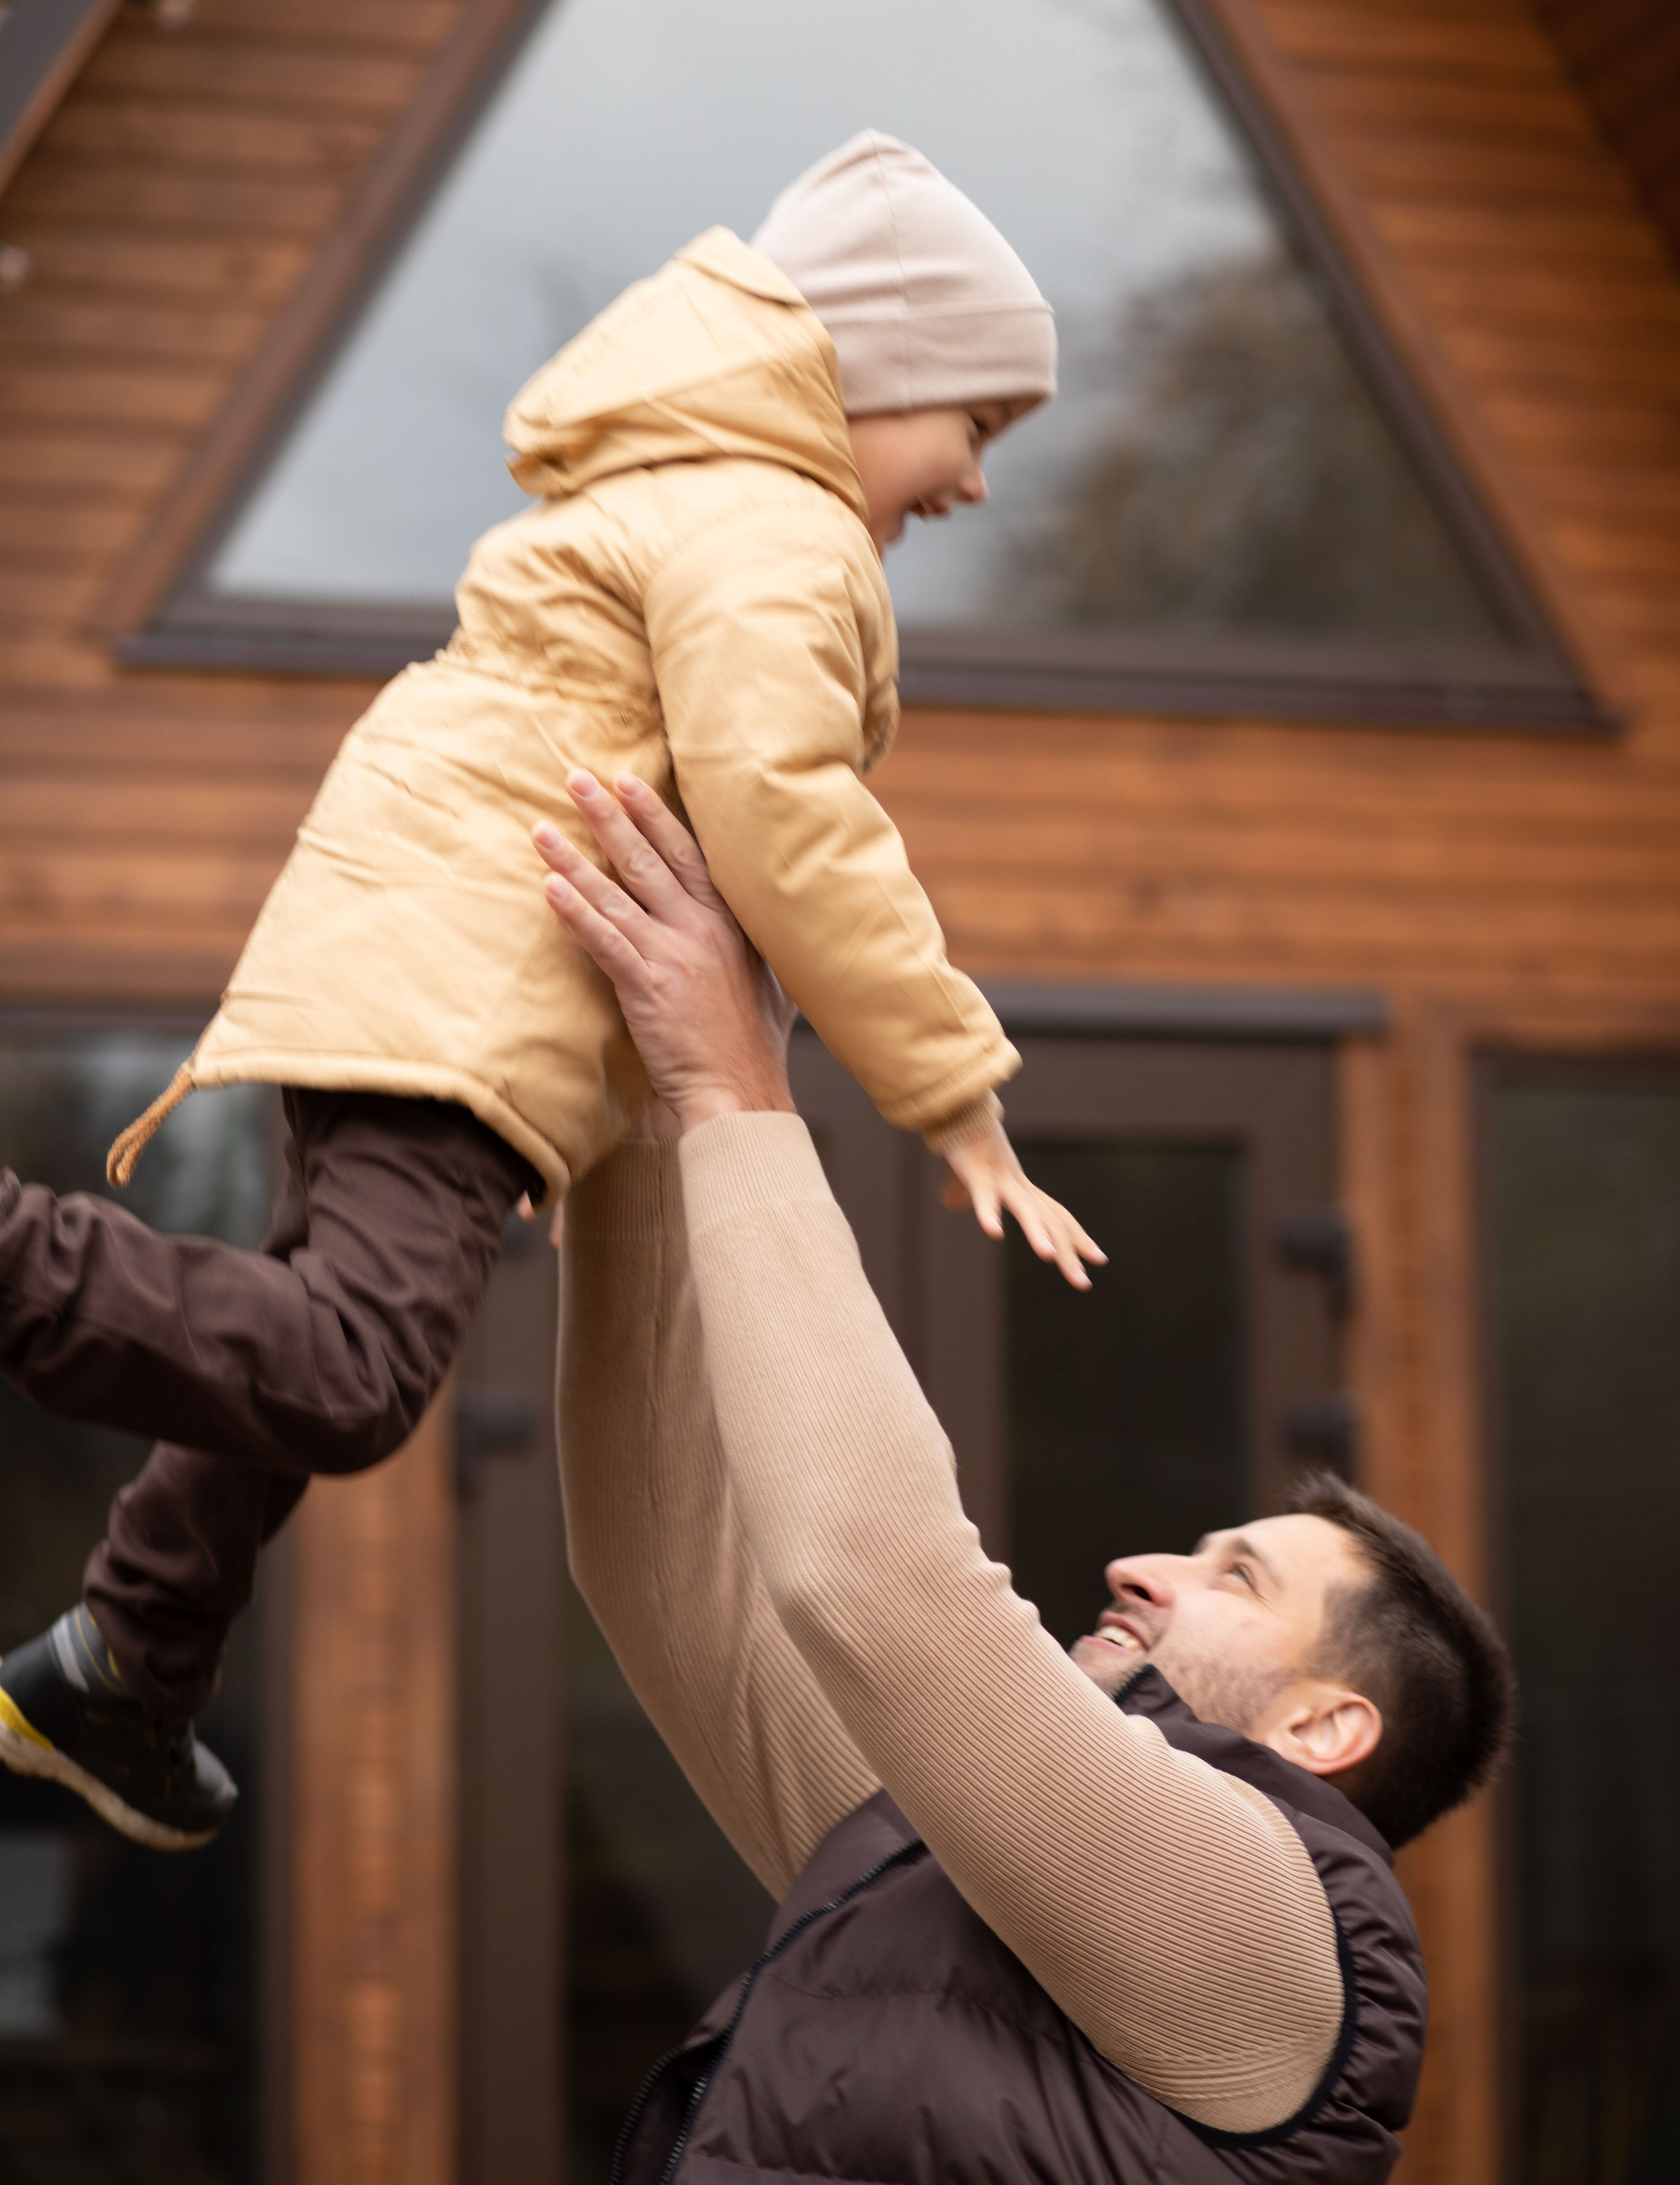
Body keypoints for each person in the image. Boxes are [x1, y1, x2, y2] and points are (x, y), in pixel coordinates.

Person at [0, 132, 1101, 1850]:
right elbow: (783, 810)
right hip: (457, 978)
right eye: (979, 424)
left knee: (287, 1348)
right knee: (349, 1370)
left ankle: (125, 1664)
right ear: (869, 374)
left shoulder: (671, 491)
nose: (974, 486)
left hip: (421, 951)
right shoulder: (775, 523)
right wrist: (952, 1087)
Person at [540, 771, 1516, 2179]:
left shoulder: (1271, 1934)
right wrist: (641, 1121)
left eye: (1231, 1576)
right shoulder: (941, 1872)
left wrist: (734, 1092)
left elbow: (874, 1575)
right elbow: (664, 1575)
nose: (1137, 1567)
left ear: (1321, 1732)